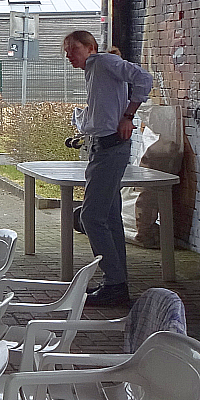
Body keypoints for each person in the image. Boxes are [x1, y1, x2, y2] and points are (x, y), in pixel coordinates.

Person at [63, 29, 154, 309]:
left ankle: (114, 283)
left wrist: (128, 116)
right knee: (110, 217)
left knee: (91, 216)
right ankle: (116, 283)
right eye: (66, 51)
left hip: (110, 147)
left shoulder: (103, 62)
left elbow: (144, 78)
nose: (69, 56)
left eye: (73, 49)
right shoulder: (94, 70)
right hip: (102, 147)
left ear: (90, 47)